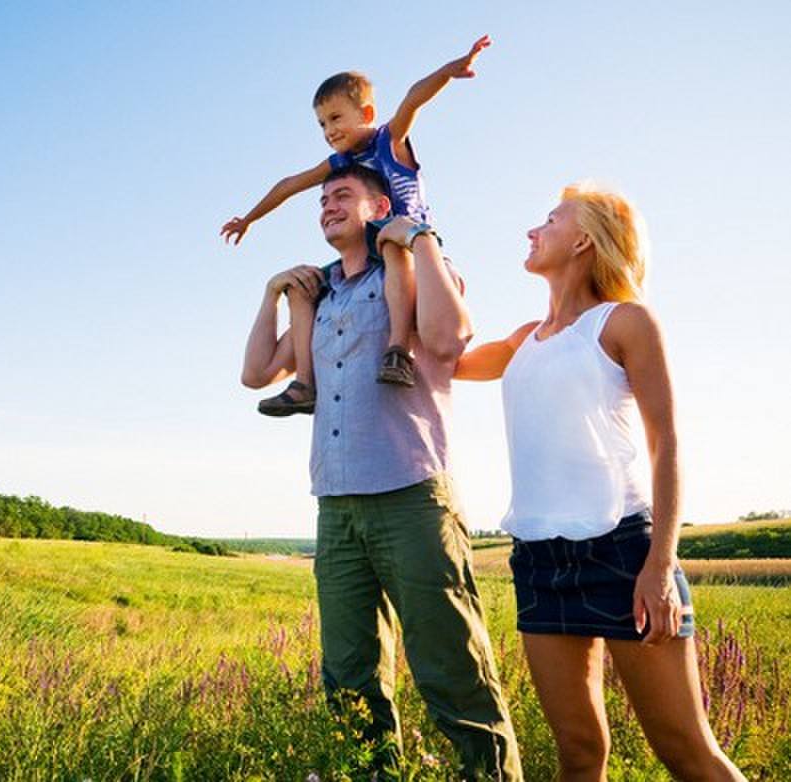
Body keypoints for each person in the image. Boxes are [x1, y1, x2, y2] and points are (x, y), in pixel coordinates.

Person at [454, 182, 746, 781]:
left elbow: (666, 444)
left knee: (687, 752)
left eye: (551, 220)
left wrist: (660, 567)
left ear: (584, 239)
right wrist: (419, 254)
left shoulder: (625, 322)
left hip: (624, 554)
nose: (533, 231)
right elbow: (441, 358)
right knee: (580, 754)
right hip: (538, 562)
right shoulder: (521, 342)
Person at [241, 164, 522, 780]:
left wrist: (419, 238)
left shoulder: (412, 274)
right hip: (336, 506)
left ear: (378, 207)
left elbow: (450, 341)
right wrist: (270, 294)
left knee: (452, 665)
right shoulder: (323, 300)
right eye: (320, 201)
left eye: (341, 195)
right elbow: (257, 372)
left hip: (411, 497)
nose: (325, 206)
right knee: (348, 675)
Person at [225, 36, 491, 416]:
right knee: (304, 287)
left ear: (365, 114)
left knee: (390, 244)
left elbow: (413, 98)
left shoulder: (388, 141)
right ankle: (305, 383)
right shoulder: (339, 163)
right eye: (321, 124)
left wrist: (450, 70)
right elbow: (289, 184)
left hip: (406, 241)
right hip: (365, 253)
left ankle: (397, 349)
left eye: (336, 118)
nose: (329, 131)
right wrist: (249, 218)